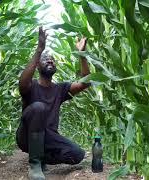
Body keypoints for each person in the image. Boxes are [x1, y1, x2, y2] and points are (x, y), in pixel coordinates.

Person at [16, 26, 91, 180]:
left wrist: (82, 54)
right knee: (38, 108)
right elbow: (22, 83)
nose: (50, 60)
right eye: (45, 59)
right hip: (26, 136)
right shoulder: (31, 86)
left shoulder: (60, 89)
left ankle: (42, 157)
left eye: (52, 59)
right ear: (37, 65)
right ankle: (35, 164)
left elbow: (85, 83)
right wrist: (39, 49)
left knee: (77, 154)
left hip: (48, 137)